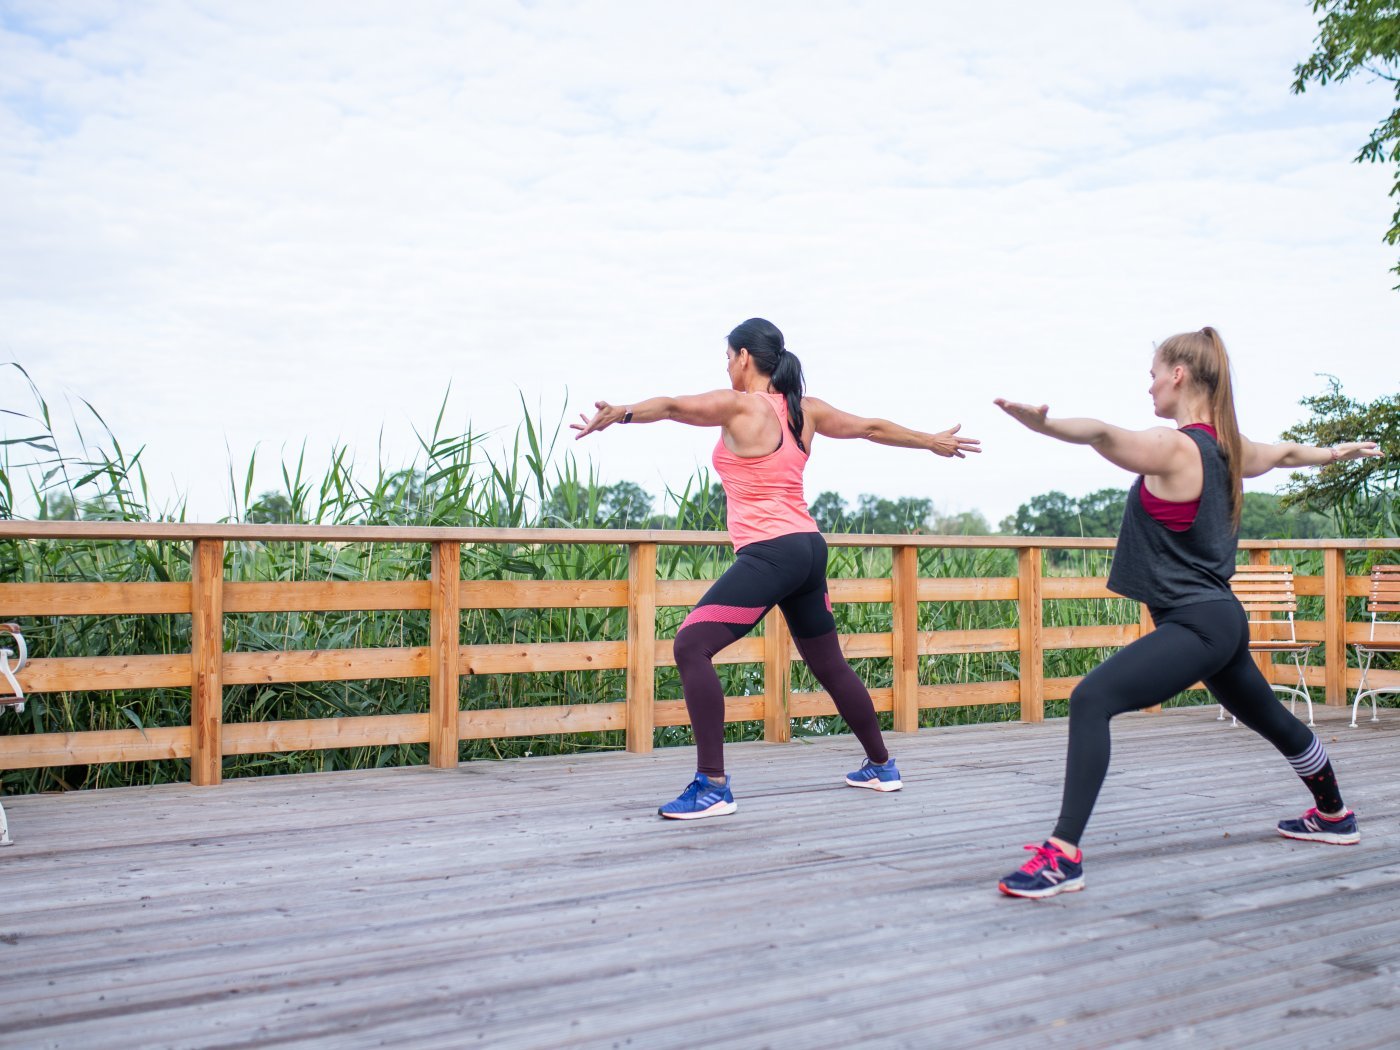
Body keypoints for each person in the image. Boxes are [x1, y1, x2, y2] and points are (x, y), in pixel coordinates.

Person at [993, 327, 1382, 898]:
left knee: (1090, 698)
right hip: (1217, 619)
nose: (1148, 385)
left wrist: (1045, 425)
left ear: (1178, 375)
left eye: (1154, 373)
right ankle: (1334, 815)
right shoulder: (1233, 449)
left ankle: (1062, 856)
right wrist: (1335, 453)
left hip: (1199, 623)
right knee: (1270, 717)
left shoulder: (1175, 446)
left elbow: (1102, 433)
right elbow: (1289, 453)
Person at [572, 317, 981, 819]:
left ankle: (713, 786)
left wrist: (623, 413)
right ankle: (881, 765)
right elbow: (872, 428)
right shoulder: (805, 410)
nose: (726, 366)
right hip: (808, 548)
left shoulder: (741, 405)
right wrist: (929, 440)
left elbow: (675, 407)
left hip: (772, 551)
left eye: (727, 357)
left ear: (745, 356)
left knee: (690, 645)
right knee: (828, 664)